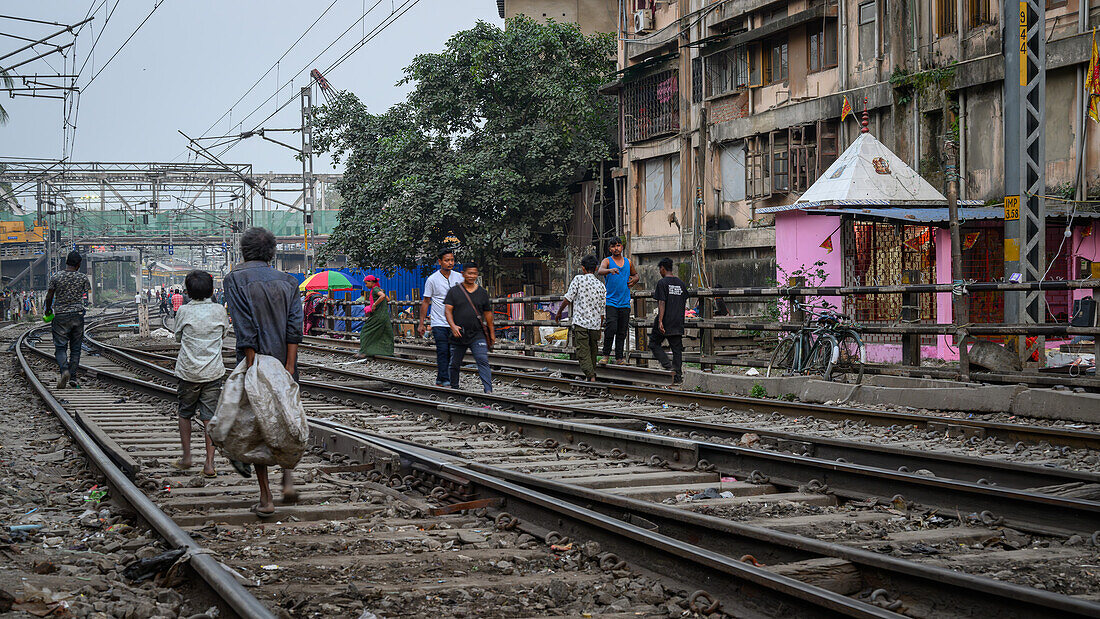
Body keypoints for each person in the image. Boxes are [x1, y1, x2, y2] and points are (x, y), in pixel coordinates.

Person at [223, 227, 304, 517]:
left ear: (243, 251)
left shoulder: (235, 279)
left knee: (257, 428)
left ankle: (266, 498)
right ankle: (288, 480)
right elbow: (295, 328)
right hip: (285, 362)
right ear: (272, 252)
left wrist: (253, 365)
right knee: (285, 419)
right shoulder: (289, 281)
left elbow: (244, 328)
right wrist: (289, 368)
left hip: (253, 361)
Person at [172, 270, 228, 478]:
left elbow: (178, 337)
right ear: (211, 290)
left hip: (188, 372)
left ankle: (186, 457)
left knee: (185, 414)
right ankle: (209, 464)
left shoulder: (184, 311)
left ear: (187, 291)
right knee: (209, 418)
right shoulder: (219, 311)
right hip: (213, 372)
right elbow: (224, 333)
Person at [444, 263, 495, 393]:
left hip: (477, 333)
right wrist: (453, 326)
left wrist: (492, 333)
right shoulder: (454, 291)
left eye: (474, 273)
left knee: (482, 359)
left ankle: (488, 390)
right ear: (463, 274)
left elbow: (488, 315)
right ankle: (454, 388)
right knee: (454, 363)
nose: (472, 276)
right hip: (459, 334)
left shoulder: (482, 293)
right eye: (469, 273)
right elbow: (448, 311)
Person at [555, 255, 606, 382]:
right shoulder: (601, 285)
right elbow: (602, 310)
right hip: (595, 324)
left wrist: (559, 312)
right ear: (595, 268)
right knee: (593, 350)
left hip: (581, 323)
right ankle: (591, 374)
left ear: (583, 268)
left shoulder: (578, 280)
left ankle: (591, 375)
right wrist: (599, 327)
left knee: (583, 351)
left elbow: (568, 298)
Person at [44, 251, 91, 389]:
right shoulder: (82, 278)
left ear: (66, 262)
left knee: (60, 347)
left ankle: (64, 370)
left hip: (60, 316)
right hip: (77, 315)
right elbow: (86, 294)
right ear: (79, 264)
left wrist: (48, 309)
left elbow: (49, 296)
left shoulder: (56, 276)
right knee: (76, 349)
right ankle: (73, 377)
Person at [418, 250, 463, 387]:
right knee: (443, 350)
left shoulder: (459, 277)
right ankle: (445, 379)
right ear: (440, 262)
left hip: (455, 322)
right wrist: (422, 323)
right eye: (447, 260)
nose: (450, 263)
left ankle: (444, 378)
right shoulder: (432, 279)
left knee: (454, 352)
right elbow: (426, 301)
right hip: (439, 322)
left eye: (452, 260)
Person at [597, 237, 638, 365]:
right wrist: (609, 270)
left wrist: (634, 280)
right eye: (613, 246)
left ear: (622, 247)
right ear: (610, 249)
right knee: (611, 328)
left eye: (618, 246)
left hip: (625, 302)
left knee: (622, 331)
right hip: (611, 302)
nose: (616, 248)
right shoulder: (607, 261)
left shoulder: (628, 262)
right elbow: (600, 271)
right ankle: (606, 355)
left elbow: (636, 275)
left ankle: (619, 358)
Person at [650, 257, 687, 383]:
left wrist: (660, 321)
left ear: (662, 268)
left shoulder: (662, 283)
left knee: (654, 344)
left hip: (666, 320)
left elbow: (662, 302)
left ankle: (668, 366)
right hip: (678, 320)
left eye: (660, 269)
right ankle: (677, 376)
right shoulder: (681, 284)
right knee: (677, 350)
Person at [356, 275, 394, 358]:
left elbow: (383, 296)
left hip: (377, 315)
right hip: (385, 316)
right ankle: (387, 352)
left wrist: (374, 304)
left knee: (365, 332)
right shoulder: (379, 289)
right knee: (385, 334)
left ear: (371, 282)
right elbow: (387, 299)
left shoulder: (375, 289)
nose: (366, 285)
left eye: (366, 283)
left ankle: (364, 352)